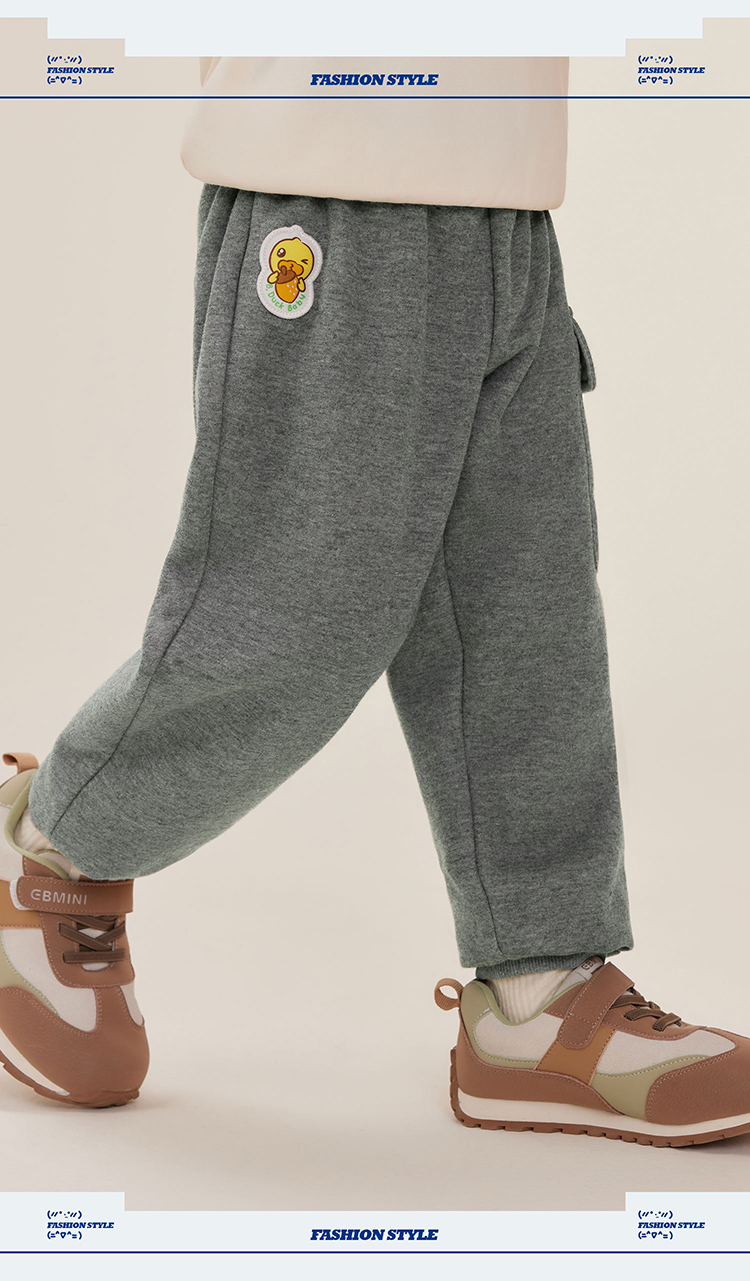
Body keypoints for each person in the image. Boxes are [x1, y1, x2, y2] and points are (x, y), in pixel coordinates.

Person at [1, 56, 748, 1144]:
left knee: (526, 620)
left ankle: (538, 993)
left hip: (508, 207)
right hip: (334, 194)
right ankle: (52, 843)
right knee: (297, 614)